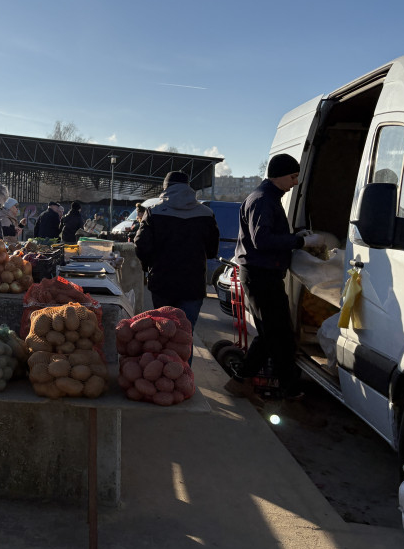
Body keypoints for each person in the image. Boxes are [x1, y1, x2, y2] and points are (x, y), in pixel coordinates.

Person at [225, 154, 323, 400]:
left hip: (264, 275)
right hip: (260, 276)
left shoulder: (266, 198)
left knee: (279, 334)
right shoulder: (263, 200)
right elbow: (262, 240)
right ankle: (242, 380)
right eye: (293, 177)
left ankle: (286, 387)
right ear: (279, 175)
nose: (295, 182)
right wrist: (300, 242)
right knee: (272, 334)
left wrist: (297, 237)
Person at [133, 172, 219, 362]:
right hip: (193, 285)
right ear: (189, 188)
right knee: (185, 336)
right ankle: (183, 375)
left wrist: (148, 266)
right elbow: (213, 250)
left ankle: (164, 375)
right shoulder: (206, 213)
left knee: (163, 333)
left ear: (166, 188)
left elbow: (141, 245)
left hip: (162, 283)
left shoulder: (154, 211)